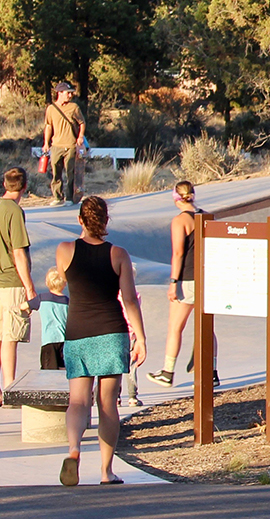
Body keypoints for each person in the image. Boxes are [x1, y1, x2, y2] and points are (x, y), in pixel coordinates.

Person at [56, 196, 147, 486]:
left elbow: (66, 280)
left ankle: (74, 449)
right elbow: (130, 300)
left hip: (78, 331)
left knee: (78, 401)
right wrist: (141, 337)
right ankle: (106, 471)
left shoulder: (64, 250)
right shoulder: (118, 254)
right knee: (107, 403)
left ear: (80, 220)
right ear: (106, 222)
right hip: (111, 331)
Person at [149, 181, 213, 388]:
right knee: (207, 326)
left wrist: (173, 282)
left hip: (187, 279)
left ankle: (167, 372)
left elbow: (178, 253)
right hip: (206, 278)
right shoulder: (207, 216)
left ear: (176, 198)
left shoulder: (180, 221)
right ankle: (211, 371)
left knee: (175, 327)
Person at [0, 166, 35, 407]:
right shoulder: (15, 211)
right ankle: (11, 389)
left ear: (5, 185)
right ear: (24, 187)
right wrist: (30, 287)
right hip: (13, 281)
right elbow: (19, 252)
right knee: (11, 336)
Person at [41, 81, 86, 205]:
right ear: (59, 93)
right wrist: (46, 143)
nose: (70, 96)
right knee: (55, 172)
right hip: (56, 145)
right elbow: (48, 126)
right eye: (68, 93)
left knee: (70, 172)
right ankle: (57, 197)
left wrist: (80, 137)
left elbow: (82, 123)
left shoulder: (74, 107)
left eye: (71, 93)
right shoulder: (51, 109)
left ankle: (70, 198)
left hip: (70, 145)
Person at [35, 267, 69, 371]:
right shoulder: (67, 301)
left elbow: (25, 305)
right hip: (64, 340)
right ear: (64, 284)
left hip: (49, 340)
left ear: (47, 282)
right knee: (63, 369)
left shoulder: (42, 298)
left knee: (48, 371)